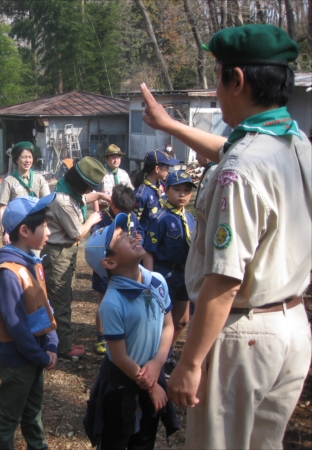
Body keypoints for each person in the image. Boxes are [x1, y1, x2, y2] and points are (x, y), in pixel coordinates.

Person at [140, 24, 312, 449]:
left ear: (236, 79)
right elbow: (229, 147)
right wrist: (169, 124)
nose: (215, 92)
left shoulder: (242, 171)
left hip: (242, 336)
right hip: (290, 326)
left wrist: (191, 362)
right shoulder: (294, 143)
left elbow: (224, 277)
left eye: (217, 78)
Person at [83, 213, 178, 449]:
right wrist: (152, 385)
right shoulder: (112, 304)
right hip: (122, 385)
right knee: (115, 440)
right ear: (109, 263)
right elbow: (119, 356)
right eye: (122, 238)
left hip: (151, 374)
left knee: (145, 440)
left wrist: (157, 364)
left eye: (129, 232)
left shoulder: (156, 281)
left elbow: (169, 326)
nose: (134, 236)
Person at [0, 194, 59, 449]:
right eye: (45, 226)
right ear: (25, 230)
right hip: (19, 359)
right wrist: (40, 356)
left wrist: (51, 344)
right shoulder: (9, 272)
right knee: (10, 417)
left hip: (36, 353)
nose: (49, 232)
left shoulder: (33, 262)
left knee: (33, 411)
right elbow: (16, 326)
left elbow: (44, 306)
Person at [43, 157, 110, 359]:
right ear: (79, 184)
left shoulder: (69, 191)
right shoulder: (62, 200)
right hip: (58, 254)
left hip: (67, 253)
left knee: (64, 296)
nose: (90, 192)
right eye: (88, 187)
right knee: (60, 301)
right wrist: (92, 220)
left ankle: (63, 339)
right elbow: (76, 233)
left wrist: (100, 195)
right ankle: (63, 346)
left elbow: (81, 200)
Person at [142, 171, 196, 375]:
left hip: (185, 275)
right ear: (167, 191)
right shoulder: (160, 218)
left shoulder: (189, 217)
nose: (182, 194)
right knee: (163, 320)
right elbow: (148, 249)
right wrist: (149, 278)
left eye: (186, 190)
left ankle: (167, 352)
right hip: (165, 276)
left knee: (182, 320)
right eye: (177, 189)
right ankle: (158, 358)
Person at [91, 185, 143, 355]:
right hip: (106, 267)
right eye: (121, 210)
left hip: (125, 267)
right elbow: (96, 242)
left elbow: (138, 229)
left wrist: (138, 236)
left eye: (128, 211)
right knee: (104, 300)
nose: (126, 215)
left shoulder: (132, 216)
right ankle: (101, 336)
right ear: (112, 204)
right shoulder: (102, 219)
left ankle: (121, 334)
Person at [0, 142, 50, 245]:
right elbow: (2, 208)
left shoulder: (39, 179)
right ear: (16, 160)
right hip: (16, 230)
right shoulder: (9, 181)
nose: (27, 160)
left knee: (35, 259)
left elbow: (47, 204)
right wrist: (5, 232)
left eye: (30, 157)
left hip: (36, 229)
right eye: (24, 157)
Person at [132, 149, 179, 230]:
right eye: (167, 167)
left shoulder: (162, 185)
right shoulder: (141, 193)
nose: (169, 171)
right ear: (157, 169)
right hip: (147, 236)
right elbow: (134, 220)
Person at [95, 144, 133, 212]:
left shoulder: (124, 174)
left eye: (118, 158)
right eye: (113, 157)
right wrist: (97, 213)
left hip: (122, 210)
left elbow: (131, 192)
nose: (116, 160)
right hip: (106, 211)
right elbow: (95, 196)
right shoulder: (101, 175)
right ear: (106, 159)